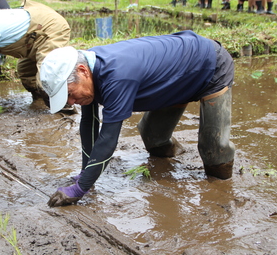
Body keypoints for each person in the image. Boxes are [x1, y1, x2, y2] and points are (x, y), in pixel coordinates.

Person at [40, 31, 235, 207]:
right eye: (68, 99)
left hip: (209, 67)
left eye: (71, 94)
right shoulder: (87, 69)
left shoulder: (116, 76)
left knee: (214, 151)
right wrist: (85, 174)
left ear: (82, 71)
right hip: (173, 81)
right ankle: (176, 160)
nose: (73, 102)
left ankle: (222, 197)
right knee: (153, 138)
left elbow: (108, 140)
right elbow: (89, 124)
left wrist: (80, 188)